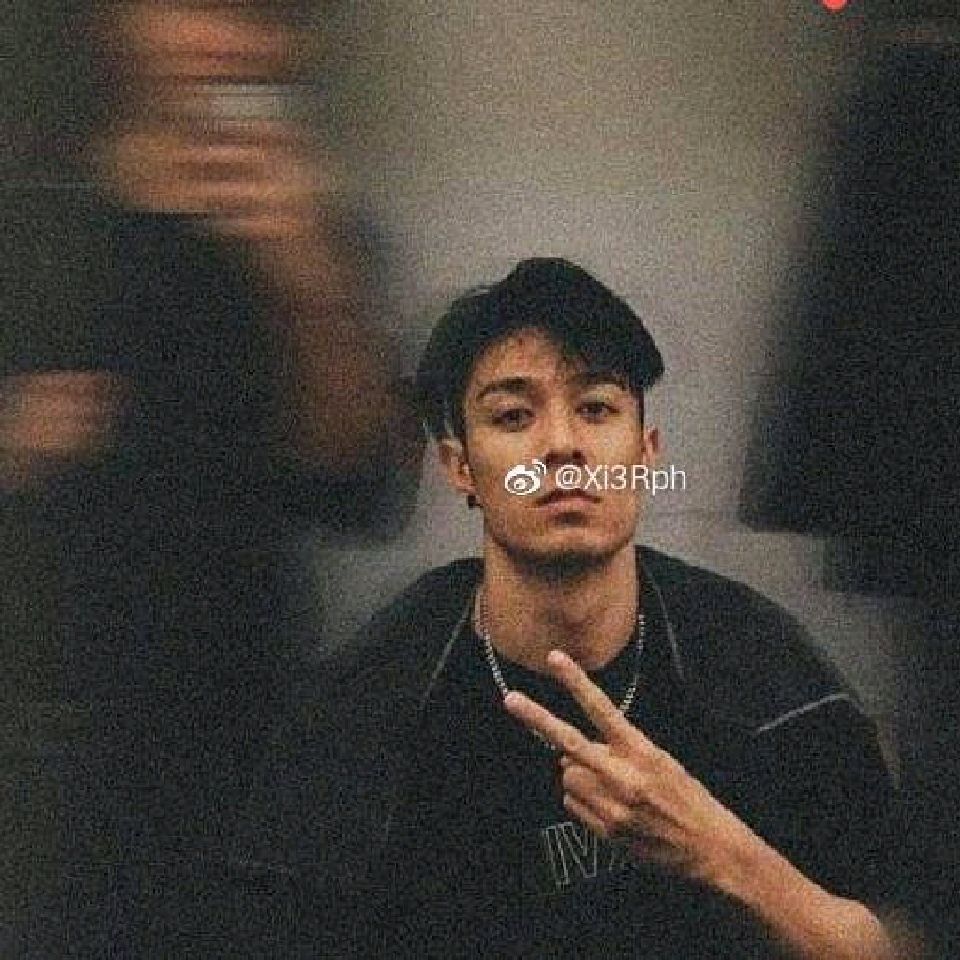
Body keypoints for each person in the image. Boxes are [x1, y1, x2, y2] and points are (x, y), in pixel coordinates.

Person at [299, 257, 909, 959]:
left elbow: (896, 944)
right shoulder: (370, 706)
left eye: (595, 408)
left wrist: (720, 852)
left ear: (645, 454)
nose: (562, 446)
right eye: (513, 415)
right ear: (460, 468)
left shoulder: (764, 676)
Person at [0, 3, 422, 955]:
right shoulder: (30, 213)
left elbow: (365, 494)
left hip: (245, 721)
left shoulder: (318, 230)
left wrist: (309, 286)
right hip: (45, 736)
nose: (234, 40)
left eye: (269, 16)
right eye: (201, 5)